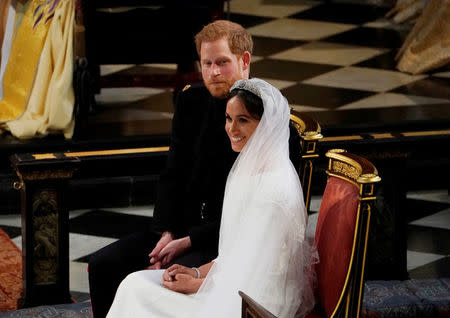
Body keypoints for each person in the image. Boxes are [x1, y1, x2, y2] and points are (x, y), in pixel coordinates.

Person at [88, 20, 301, 318]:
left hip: (220, 241)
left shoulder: (269, 124)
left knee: (153, 286)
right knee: (104, 265)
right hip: (178, 228)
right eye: (207, 63)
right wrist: (165, 232)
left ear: (245, 60)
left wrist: (190, 243)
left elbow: (258, 222)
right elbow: (171, 174)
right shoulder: (189, 101)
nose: (213, 72)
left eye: (223, 63)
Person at [106, 78, 316, 318]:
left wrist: (195, 285)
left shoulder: (274, 191)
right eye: (228, 118)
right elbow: (233, 256)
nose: (232, 129)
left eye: (243, 120)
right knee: (134, 284)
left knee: (139, 294)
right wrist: (195, 273)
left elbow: (259, 272)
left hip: (254, 302)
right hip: (233, 283)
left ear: (266, 124)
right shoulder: (248, 169)